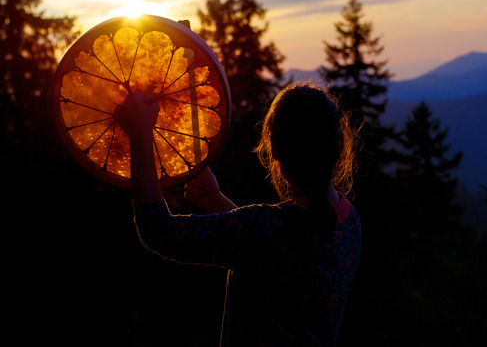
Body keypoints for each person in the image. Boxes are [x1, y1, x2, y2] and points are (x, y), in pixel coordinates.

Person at [115, 81, 361, 346]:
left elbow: (159, 230)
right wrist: (217, 201)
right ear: (338, 146)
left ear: (274, 149)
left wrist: (139, 134)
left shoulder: (266, 227)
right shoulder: (348, 221)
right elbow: (271, 261)